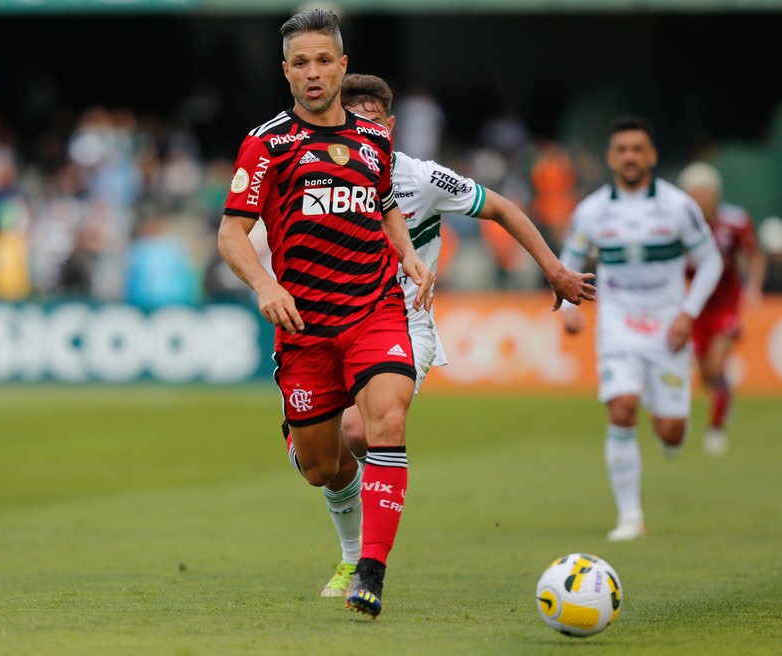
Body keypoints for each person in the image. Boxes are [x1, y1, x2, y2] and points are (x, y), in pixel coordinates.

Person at [284, 72, 597, 598]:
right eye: (351, 120)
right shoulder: (312, 172)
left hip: (402, 324)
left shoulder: (420, 178)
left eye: (371, 122)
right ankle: (342, 528)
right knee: (323, 464)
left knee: (365, 431)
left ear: (391, 126)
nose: (361, 130)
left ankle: (362, 565)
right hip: (329, 325)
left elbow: (502, 207)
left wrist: (555, 270)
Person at [215, 9, 433, 619]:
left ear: (343, 64)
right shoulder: (267, 144)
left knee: (388, 419)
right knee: (322, 467)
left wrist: (408, 256)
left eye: (323, 60)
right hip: (305, 330)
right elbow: (232, 234)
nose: (313, 74)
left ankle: (371, 570)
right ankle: (316, 454)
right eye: (300, 63)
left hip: (375, 311)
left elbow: (386, 204)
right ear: (285, 72)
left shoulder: (374, 140)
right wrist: (263, 284)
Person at [559, 116, 724, 542]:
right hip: (617, 327)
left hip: (668, 329)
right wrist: (568, 308)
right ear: (611, 156)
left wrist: (688, 313)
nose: (630, 156)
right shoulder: (592, 210)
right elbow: (568, 263)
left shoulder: (677, 206)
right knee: (622, 407)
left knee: (670, 432)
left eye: (638, 149)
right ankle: (630, 516)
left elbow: (711, 261)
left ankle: (669, 427)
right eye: (622, 149)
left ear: (651, 155)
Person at [677, 162, 766, 456]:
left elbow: (753, 255)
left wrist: (753, 286)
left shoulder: (736, 221)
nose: (700, 198)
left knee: (716, 364)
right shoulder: (678, 224)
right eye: (693, 193)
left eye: (704, 192)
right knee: (706, 373)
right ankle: (724, 396)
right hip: (694, 307)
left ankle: (715, 430)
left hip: (726, 302)